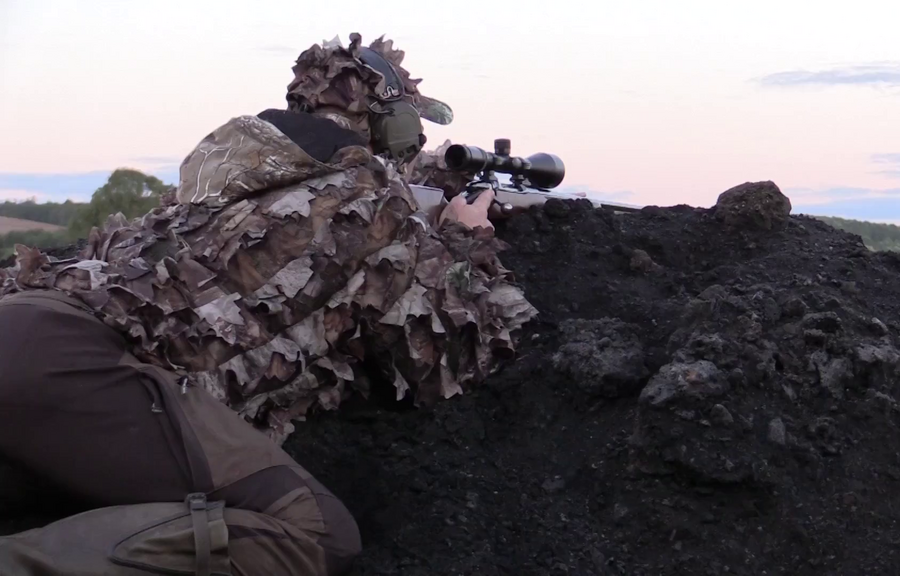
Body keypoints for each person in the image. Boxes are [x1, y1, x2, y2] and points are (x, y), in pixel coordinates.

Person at [0, 32, 536, 575]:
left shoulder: (226, 176)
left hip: (23, 324)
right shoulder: (374, 203)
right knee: (316, 533)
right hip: (83, 366)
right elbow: (441, 360)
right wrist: (467, 238)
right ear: (387, 119)